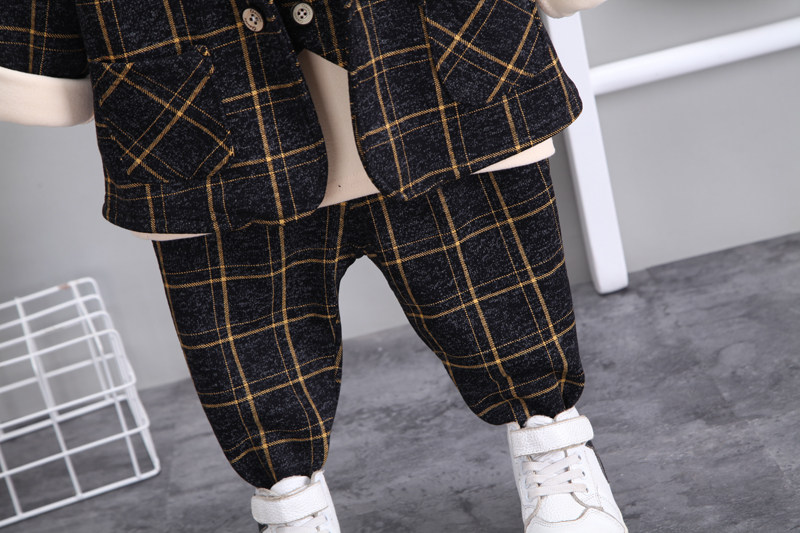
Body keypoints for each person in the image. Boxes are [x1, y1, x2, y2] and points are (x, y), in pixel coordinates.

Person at [0, 0, 627, 531]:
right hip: (205, 121)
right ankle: (291, 504)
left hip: (434, 74)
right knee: (253, 358)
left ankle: (552, 443)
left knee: (507, 302)